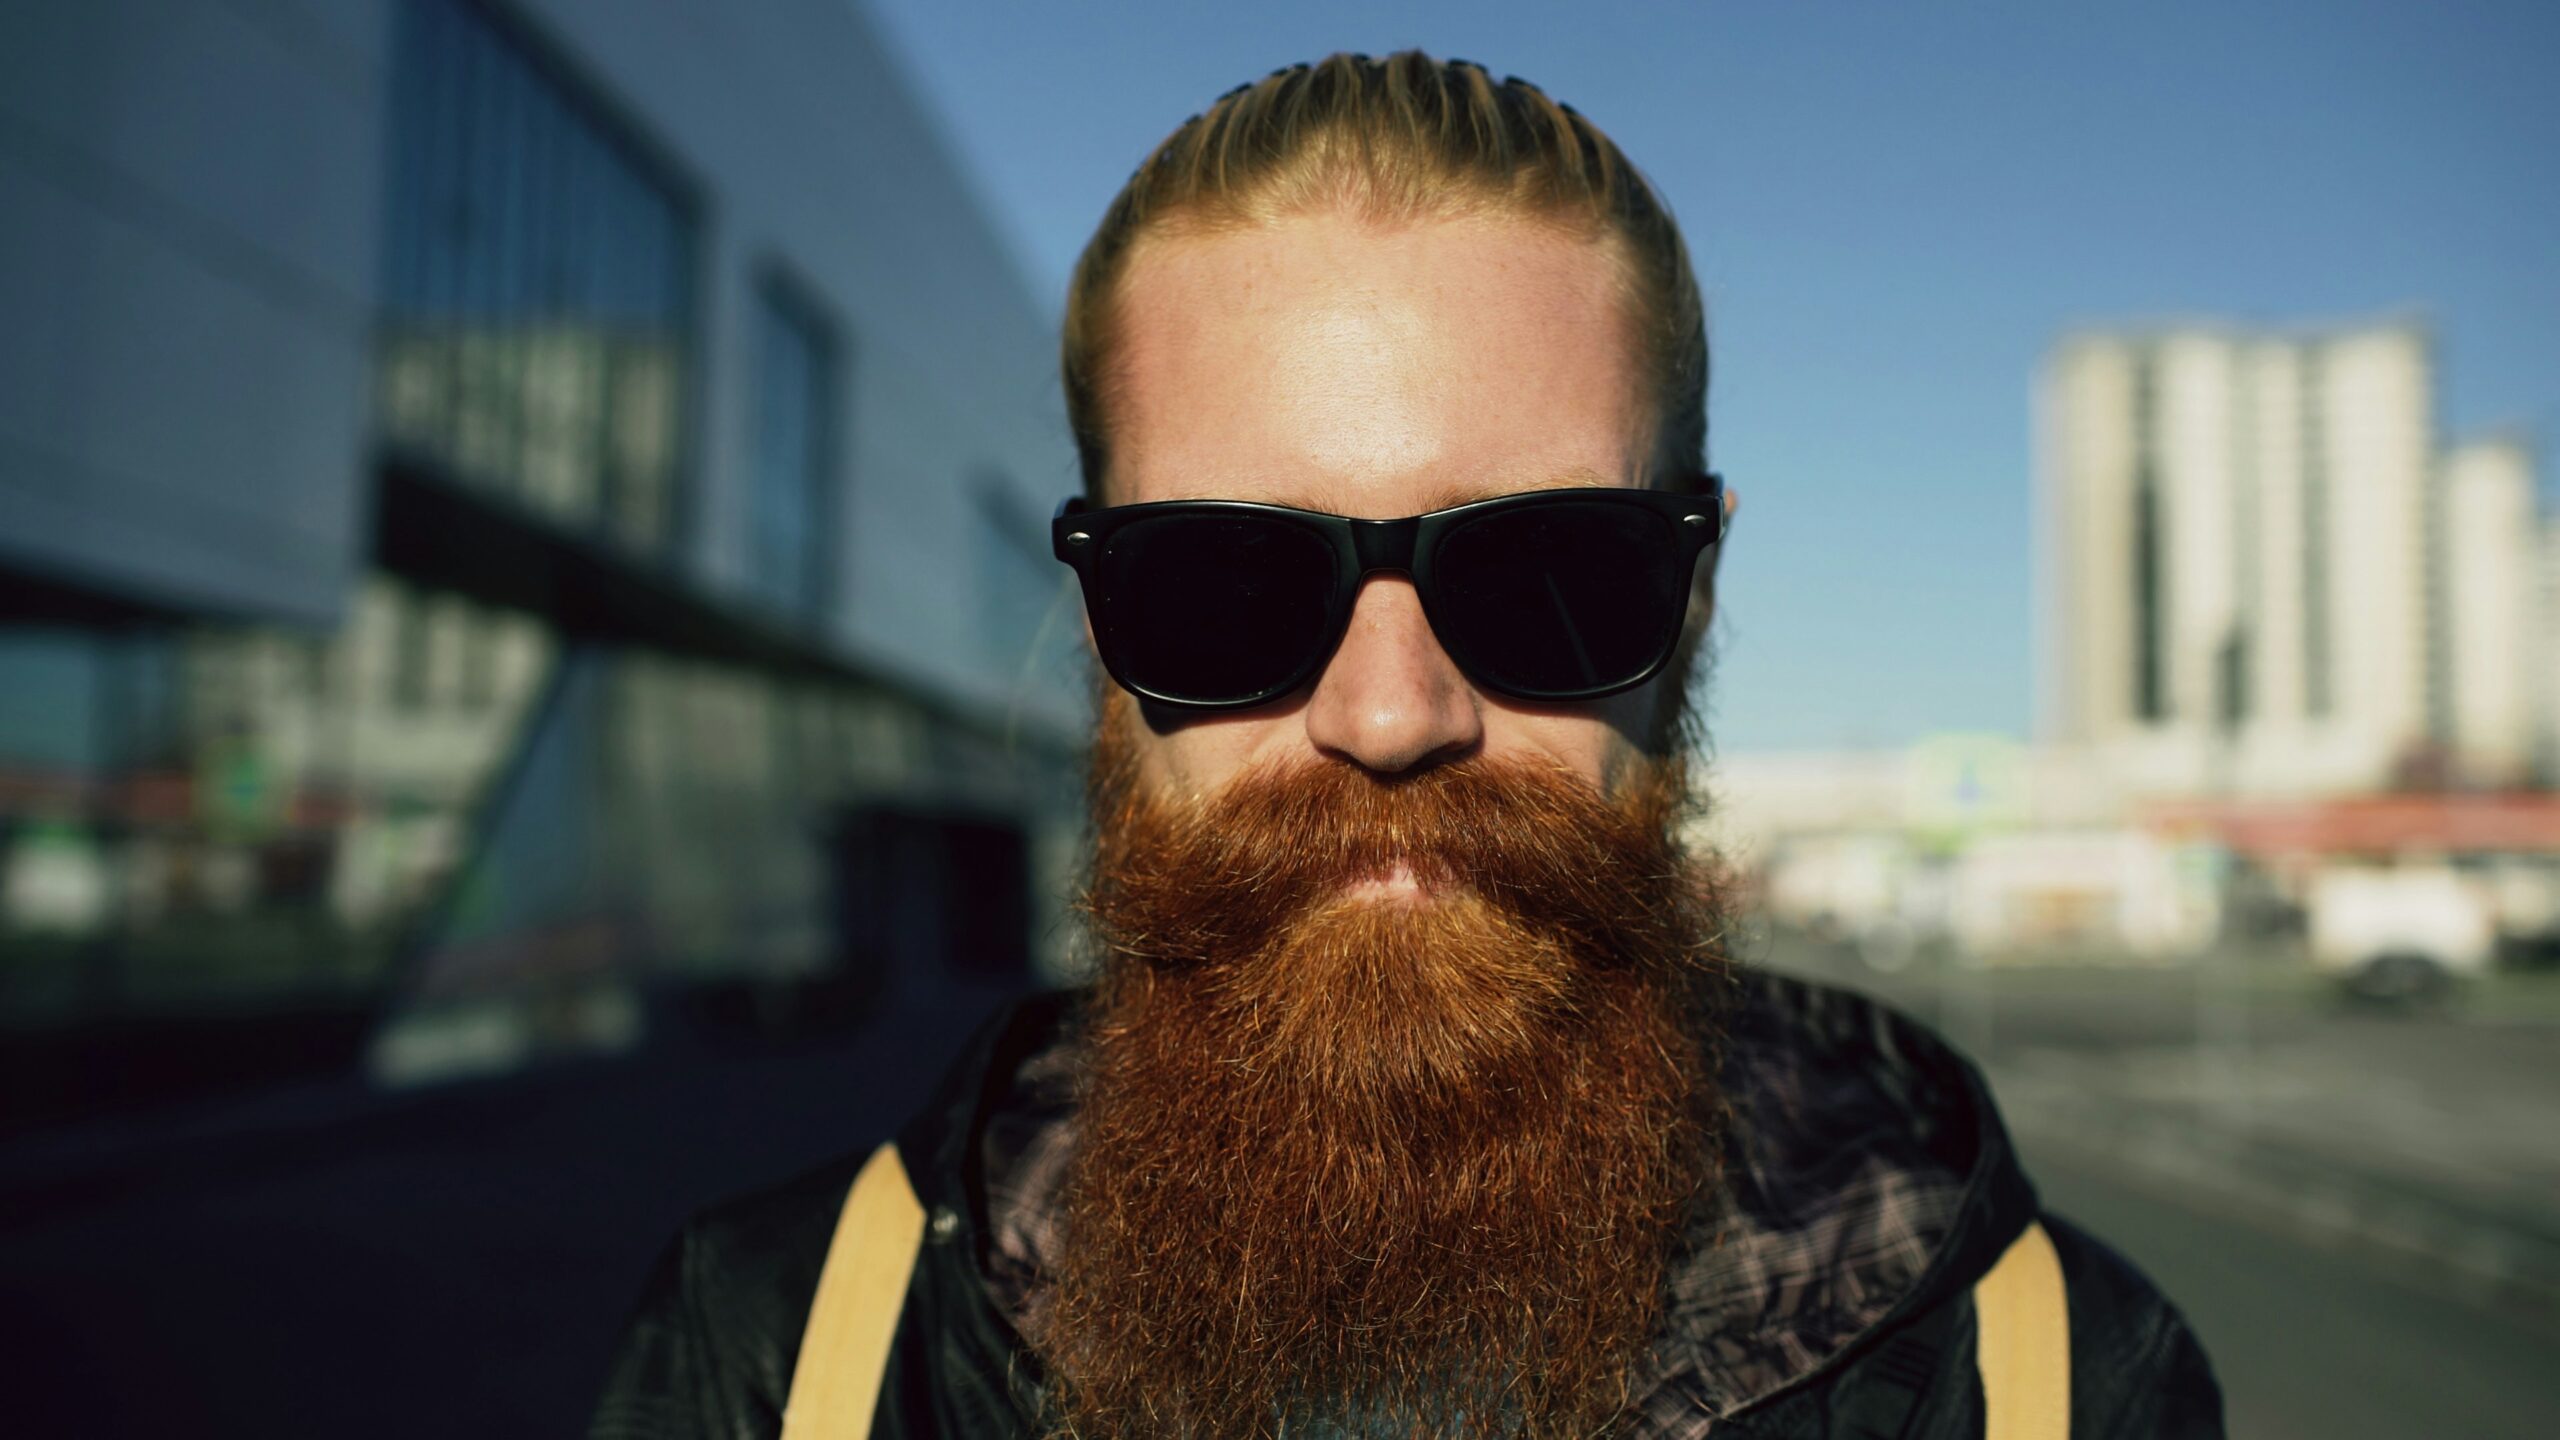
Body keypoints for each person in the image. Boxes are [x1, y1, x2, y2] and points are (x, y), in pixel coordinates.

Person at [588, 51, 2223, 1439]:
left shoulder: (2056, 1382)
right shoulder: (786, 1349)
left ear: (1696, 596)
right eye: (1224, 583)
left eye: (1548, 576)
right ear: (1097, 619)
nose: (1388, 715)